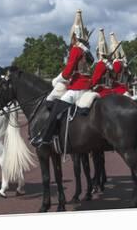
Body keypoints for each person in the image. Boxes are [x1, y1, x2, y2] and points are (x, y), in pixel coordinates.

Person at [32, 9, 94, 146]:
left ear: (75, 36)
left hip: (77, 89)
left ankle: (46, 138)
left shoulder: (76, 50)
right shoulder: (88, 53)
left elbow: (67, 73)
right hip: (88, 88)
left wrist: (57, 79)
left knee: (55, 110)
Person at [91, 28, 113, 97]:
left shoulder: (101, 64)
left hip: (101, 91)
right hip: (110, 90)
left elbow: (95, 80)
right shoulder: (109, 65)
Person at [108, 32, 132, 97]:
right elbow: (129, 75)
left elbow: (113, 76)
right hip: (126, 89)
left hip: (117, 89)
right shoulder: (123, 63)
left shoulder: (116, 63)